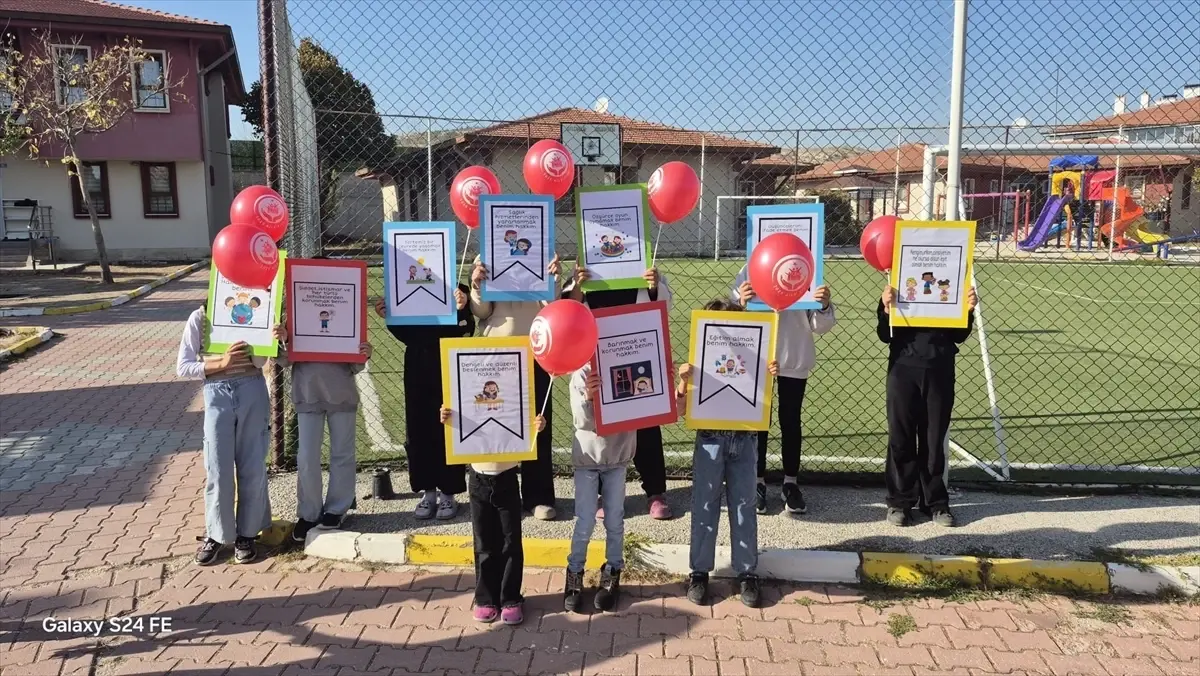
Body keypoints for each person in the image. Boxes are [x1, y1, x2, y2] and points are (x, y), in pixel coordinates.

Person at [674, 298, 774, 608]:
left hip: (744, 440)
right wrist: (682, 382)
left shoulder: (754, 358)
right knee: (704, 505)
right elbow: (680, 410)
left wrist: (769, 373)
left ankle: (746, 572)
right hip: (710, 441)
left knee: (744, 506)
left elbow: (762, 398)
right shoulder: (698, 365)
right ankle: (700, 572)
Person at [565, 262, 674, 520]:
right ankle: (605, 492)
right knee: (603, 423)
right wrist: (578, 285)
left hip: (637, 345)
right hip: (597, 351)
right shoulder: (583, 266)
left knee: (646, 423)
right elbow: (568, 312)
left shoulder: (641, 262)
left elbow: (662, 307)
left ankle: (655, 492)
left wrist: (653, 285)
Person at [731, 268, 835, 515]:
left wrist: (824, 305)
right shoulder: (751, 266)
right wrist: (741, 301)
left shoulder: (806, 266)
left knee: (790, 420)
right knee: (758, 422)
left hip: (794, 353)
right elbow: (733, 317)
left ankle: (790, 482)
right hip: (757, 356)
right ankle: (756, 481)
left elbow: (819, 326)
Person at [175, 305, 272, 565]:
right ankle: (217, 533)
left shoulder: (257, 309)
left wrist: (266, 341)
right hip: (216, 391)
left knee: (252, 465)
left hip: (252, 387)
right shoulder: (199, 316)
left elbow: (261, 362)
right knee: (217, 467)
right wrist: (221, 363)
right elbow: (183, 366)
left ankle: (247, 534)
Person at [877, 282, 978, 527]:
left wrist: (967, 310)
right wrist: (885, 308)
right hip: (903, 368)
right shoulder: (899, 282)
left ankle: (935, 503)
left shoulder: (951, 285)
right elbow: (884, 335)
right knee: (901, 438)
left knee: (934, 440)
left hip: (939, 368)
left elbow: (959, 335)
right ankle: (900, 502)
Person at [469, 254, 562, 520]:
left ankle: (539, 497)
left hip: (536, 351)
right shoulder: (485, 253)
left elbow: (551, 305)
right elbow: (482, 312)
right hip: (496, 356)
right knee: (496, 420)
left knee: (538, 425)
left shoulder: (542, 249)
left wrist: (553, 279)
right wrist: (477, 285)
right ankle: (501, 495)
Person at [375, 285, 475, 520]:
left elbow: (467, 329)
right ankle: (428, 490)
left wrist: (462, 308)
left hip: (449, 359)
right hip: (418, 362)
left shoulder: (457, 286)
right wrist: (389, 316)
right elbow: (407, 335)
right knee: (418, 426)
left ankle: (449, 492)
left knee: (449, 425)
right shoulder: (406, 284)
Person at [440, 405, 546, 625]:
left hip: (507, 478)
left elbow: (526, 420)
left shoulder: (514, 396)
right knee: (483, 542)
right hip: (478, 479)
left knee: (510, 541)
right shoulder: (467, 393)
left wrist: (537, 426)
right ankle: (486, 598)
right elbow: (457, 413)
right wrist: (447, 417)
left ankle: (510, 599)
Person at [271, 322, 372, 542]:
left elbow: (357, 364)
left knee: (343, 454)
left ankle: (337, 509)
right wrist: (284, 339)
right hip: (307, 393)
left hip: (341, 392)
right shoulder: (296, 314)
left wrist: (364, 352)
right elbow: (284, 360)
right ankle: (309, 513)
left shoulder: (346, 307)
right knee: (306, 457)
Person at [563, 363, 635, 613]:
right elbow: (581, 422)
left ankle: (613, 570)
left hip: (618, 455)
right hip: (587, 459)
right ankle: (574, 572)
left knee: (615, 520)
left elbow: (644, 408)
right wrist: (589, 397)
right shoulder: (582, 373)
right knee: (584, 521)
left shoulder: (630, 359)